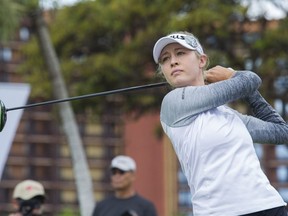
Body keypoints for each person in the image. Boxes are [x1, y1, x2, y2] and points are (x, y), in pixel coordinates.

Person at [152, 31, 288, 216]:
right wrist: (232, 75)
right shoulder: (173, 103)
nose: (173, 61)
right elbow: (251, 80)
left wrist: (245, 88)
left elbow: (281, 131)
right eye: (165, 59)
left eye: (181, 53)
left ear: (201, 61)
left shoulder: (228, 115)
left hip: (268, 206)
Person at [92, 155, 158, 216]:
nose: (117, 176)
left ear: (133, 176)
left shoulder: (145, 207)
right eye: (114, 173)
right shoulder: (101, 207)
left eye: (121, 172)